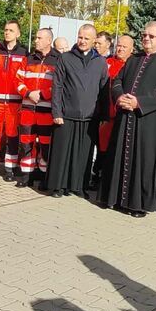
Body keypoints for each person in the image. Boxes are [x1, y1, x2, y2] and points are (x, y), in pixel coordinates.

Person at [97, 21, 156, 217]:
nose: (146, 39)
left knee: (143, 162)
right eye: (144, 35)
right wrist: (120, 98)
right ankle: (114, 198)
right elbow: (116, 81)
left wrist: (138, 102)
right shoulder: (133, 59)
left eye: (151, 36)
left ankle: (137, 205)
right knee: (119, 156)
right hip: (125, 117)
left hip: (149, 122)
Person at [49, 24, 107, 197]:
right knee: (62, 154)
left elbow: (104, 89)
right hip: (66, 114)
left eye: (86, 38)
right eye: (80, 37)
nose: (82, 41)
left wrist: (103, 115)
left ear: (94, 40)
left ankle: (79, 187)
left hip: (89, 117)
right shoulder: (66, 58)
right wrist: (56, 112)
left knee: (84, 156)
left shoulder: (100, 62)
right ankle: (58, 187)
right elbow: (57, 86)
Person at [0, 20, 29, 180]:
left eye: (11, 30)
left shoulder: (24, 54)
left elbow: (25, 80)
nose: (7, 32)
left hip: (14, 103)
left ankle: (10, 169)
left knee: (12, 136)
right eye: (5, 29)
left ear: (18, 34)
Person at [16, 28, 61, 188]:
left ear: (49, 41)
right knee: (26, 143)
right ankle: (26, 175)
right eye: (36, 37)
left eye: (39, 38)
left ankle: (44, 176)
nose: (36, 40)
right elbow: (18, 81)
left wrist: (41, 95)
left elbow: (59, 85)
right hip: (28, 109)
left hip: (46, 111)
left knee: (45, 145)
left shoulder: (58, 60)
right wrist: (28, 93)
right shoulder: (28, 59)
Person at [94, 35, 134, 186]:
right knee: (102, 149)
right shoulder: (107, 63)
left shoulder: (132, 65)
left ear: (131, 49)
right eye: (119, 46)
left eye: (124, 47)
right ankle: (97, 176)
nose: (120, 49)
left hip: (122, 115)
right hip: (105, 115)